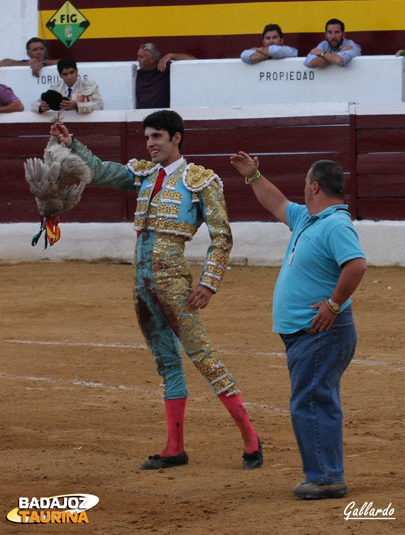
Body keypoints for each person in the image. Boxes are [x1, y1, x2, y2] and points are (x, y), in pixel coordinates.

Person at [50, 109, 263, 471]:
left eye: (157, 137)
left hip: (174, 284)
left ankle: (251, 439)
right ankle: (174, 447)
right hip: (142, 283)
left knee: (204, 359)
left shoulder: (201, 180)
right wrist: (72, 145)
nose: (150, 144)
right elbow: (101, 172)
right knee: (166, 363)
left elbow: (222, 236)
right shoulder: (144, 175)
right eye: (147, 137)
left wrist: (208, 284)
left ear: (175, 138)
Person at [231, 152, 367, 499]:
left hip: (321, 332)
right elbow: (276, 203)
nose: (302, 188)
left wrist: (334, 304)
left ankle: (325, 477)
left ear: (315, 186)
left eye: (306, 183)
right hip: (308, 333)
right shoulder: (309, 219)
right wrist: (253, 176)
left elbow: (356, 265)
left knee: (311, 400)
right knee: (315, 398)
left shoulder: (335, 224)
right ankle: (326, 472)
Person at [32, 57, 104, 114]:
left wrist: (76, 106)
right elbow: (33, 105)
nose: (69, 77)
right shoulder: (55, 87)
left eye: (71, 72)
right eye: (65, 74)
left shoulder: (89, 85)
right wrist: (41, 107)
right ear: (60, 75)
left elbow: (99, 105)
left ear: (77, 71)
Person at [136, 43, 196, 109]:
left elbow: (193, 61)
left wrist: (171, 55)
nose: (138, 60)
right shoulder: (137, 74)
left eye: (141, 57)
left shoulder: (164, 68)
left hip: (162, 115)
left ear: (152, 59)